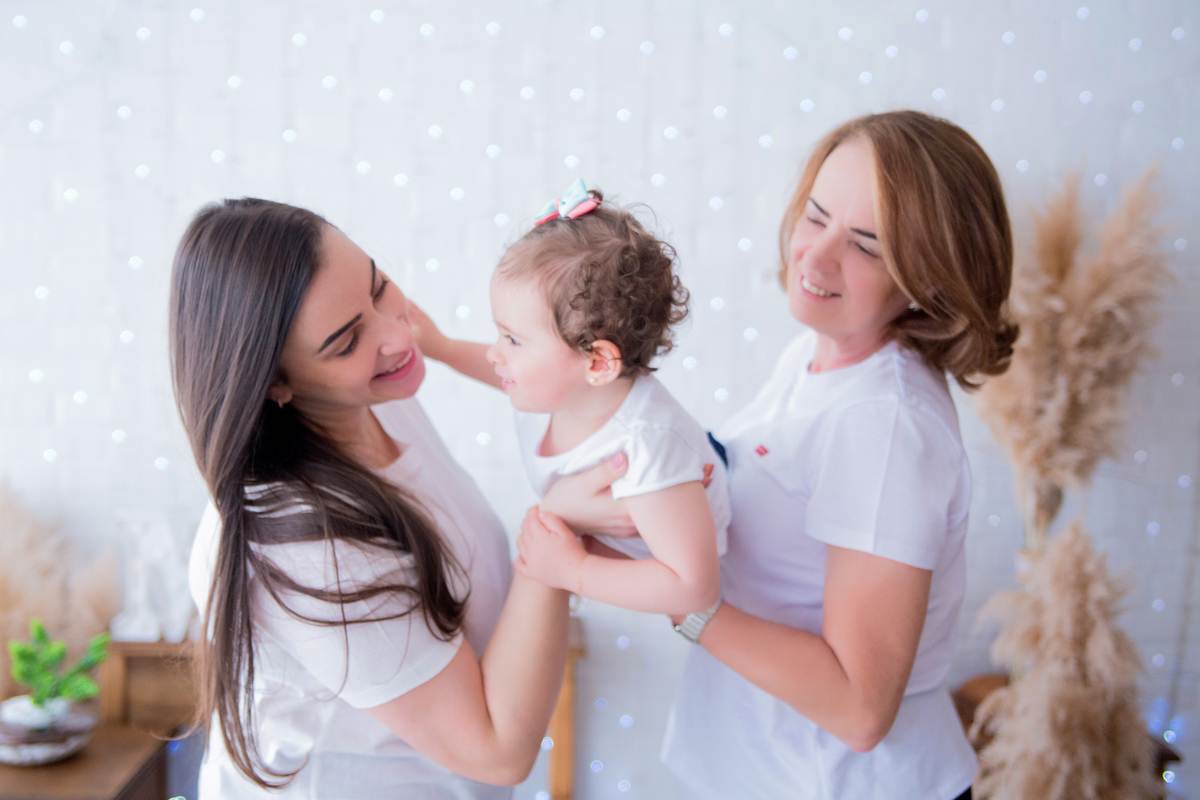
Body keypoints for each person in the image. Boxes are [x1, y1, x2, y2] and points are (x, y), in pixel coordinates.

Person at [572, 111, 1015, 799]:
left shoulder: (883, 424)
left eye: (866, 245)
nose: (815, 257)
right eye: (817, 215)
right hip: (762, 766)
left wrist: (684, 604)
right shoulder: (817, 355)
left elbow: (860, 709)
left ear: (929, 280)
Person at [171, 198, 576, 799]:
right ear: (275, 382)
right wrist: (559, 534)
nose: (397, 333)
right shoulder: (306, 540)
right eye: (346, 341)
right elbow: (496, 751)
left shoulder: (376, 401)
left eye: (379, 286)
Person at [410, 179, 730, 616]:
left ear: (597, 363)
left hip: (739, 591)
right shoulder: (556, 388)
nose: (494, 354)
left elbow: (694, 590)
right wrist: (442, 347)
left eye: (513, 340)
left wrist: (574, 570)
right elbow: (497, 370)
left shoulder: (647, 447)